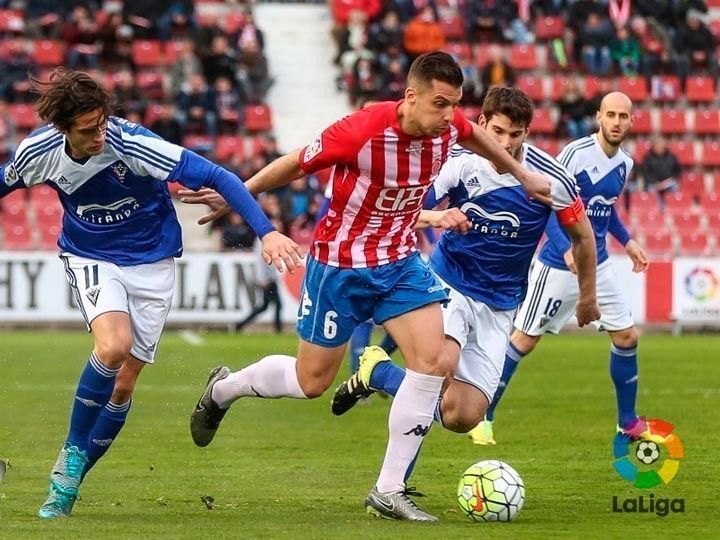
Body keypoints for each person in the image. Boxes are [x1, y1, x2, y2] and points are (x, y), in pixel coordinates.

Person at [180, 52, 552, 522]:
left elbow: (473, 133)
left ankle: (388, 489)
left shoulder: (448, 124)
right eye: (439, 104)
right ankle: (225, 389)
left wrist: (521, 174)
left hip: (400, 262)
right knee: (310, 381)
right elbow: (295, 164)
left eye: (454, 105)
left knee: (434, 360)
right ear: (410, 96)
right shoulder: (362, 130)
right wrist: (238, 191)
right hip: (341, 264)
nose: (447, 117)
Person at [0, 68, 301, 519]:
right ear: (62, 129)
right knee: (113, 346)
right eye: (87, 130)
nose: (100, 135)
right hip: (91, 256)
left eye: (103, 123)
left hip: (153, 264)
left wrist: (267, 232)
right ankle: (71, 456)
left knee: (123, 385)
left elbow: (220, 176)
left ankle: (70, 482)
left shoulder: (133, 143)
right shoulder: (37, 153)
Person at [330, 87, 599, 453]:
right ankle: (392, 489)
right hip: (447, 282)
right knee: (438, 365)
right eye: (497, 132)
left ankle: (377, 372)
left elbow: (583, 237)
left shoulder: (551, 179)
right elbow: (405, 212)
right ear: (482, 123)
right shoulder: (455, 160)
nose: (505, 143)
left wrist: (587, 298)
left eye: (515, 134)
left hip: (501, 303)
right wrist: (438, 216)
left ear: (527, 133)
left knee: (462, 414)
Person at [474, 92, 650, 445]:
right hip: (558, 266)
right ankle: (483, 416)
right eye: (610, 115)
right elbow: (551, 201)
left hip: (597, 263)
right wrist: (564, 248)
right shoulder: (575, 154)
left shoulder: (625, 164)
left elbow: (606, 208)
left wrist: (627, 241)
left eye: (623, 117)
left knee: (627, 337)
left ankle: (627, 423)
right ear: (598, 117)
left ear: (632, 122)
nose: (616, 122)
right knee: (523, 341)